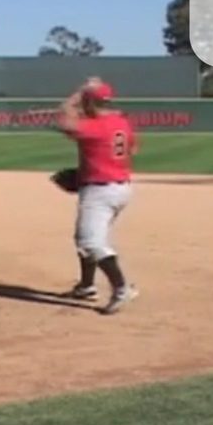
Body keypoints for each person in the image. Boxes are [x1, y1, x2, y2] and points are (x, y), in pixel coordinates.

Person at [56, 78, 139, 315]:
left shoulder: (94, 126)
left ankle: (122, 289)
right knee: (88, 237)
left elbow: (64, 120)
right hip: (120, 188)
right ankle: (86, 286)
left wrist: (80, 91)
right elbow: (132, 150)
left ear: (90, 102)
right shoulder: (121, 122)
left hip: (100, 192)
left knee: (90, 242)